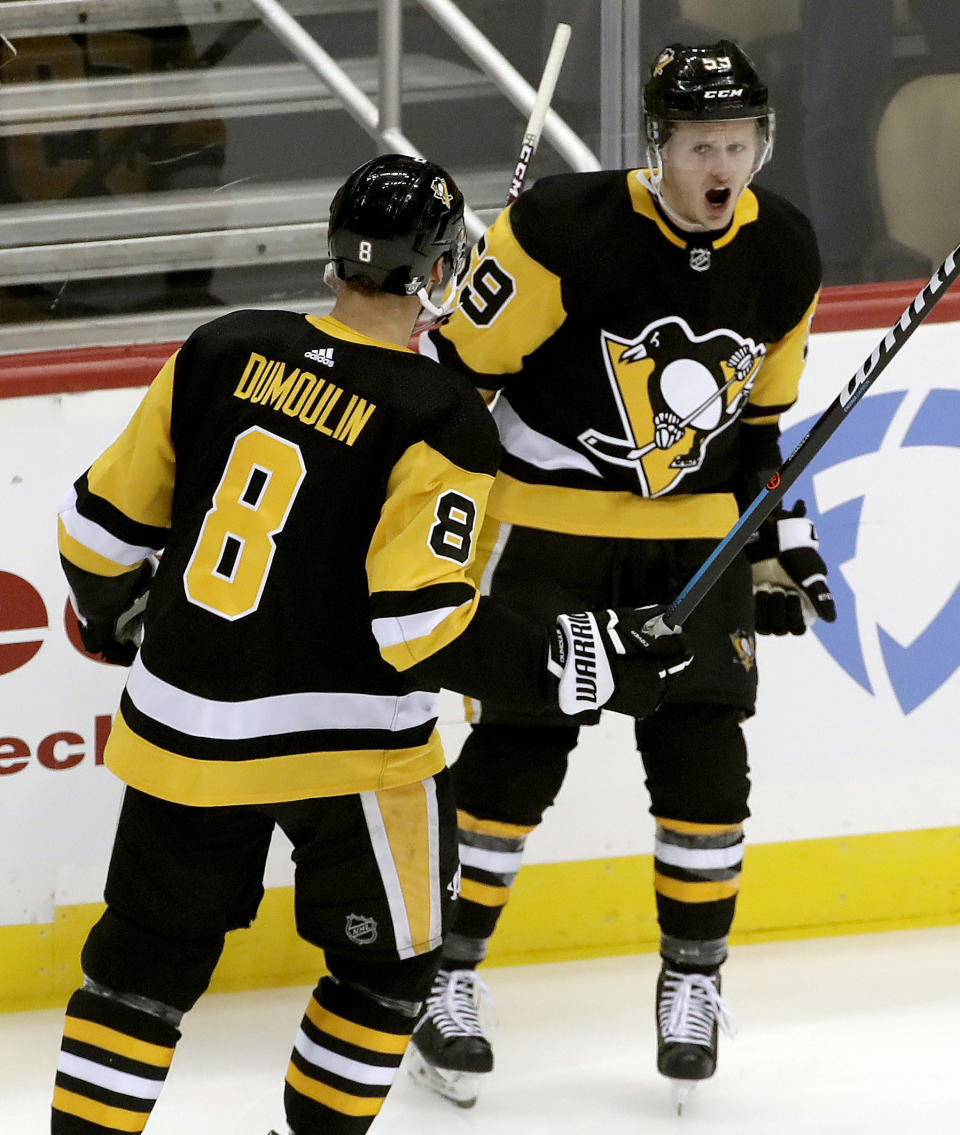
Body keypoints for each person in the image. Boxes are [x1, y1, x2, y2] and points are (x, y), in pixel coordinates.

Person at [49, 153, 690, 1135]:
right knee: (388, 974)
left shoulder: (222, 345)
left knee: (142, 968)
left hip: (180, 728)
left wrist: (110, 614)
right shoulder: (438, 418)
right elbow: (420, 626)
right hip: (351, 753)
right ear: (438, 275)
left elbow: (95, 534)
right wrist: (581, 659)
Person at [409, 41, 836, 1108]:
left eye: (738, 143)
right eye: (701, 145)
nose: (721, 166)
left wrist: (774, 536)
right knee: (521, 739)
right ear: (658, 147)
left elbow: (761, 423)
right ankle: (440, 976)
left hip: (692, 533)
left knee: (703, 748)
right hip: (547, 520)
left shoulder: (783, 246)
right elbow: (458, 378)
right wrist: (439, 517)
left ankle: (692, 981)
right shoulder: (561, 226)